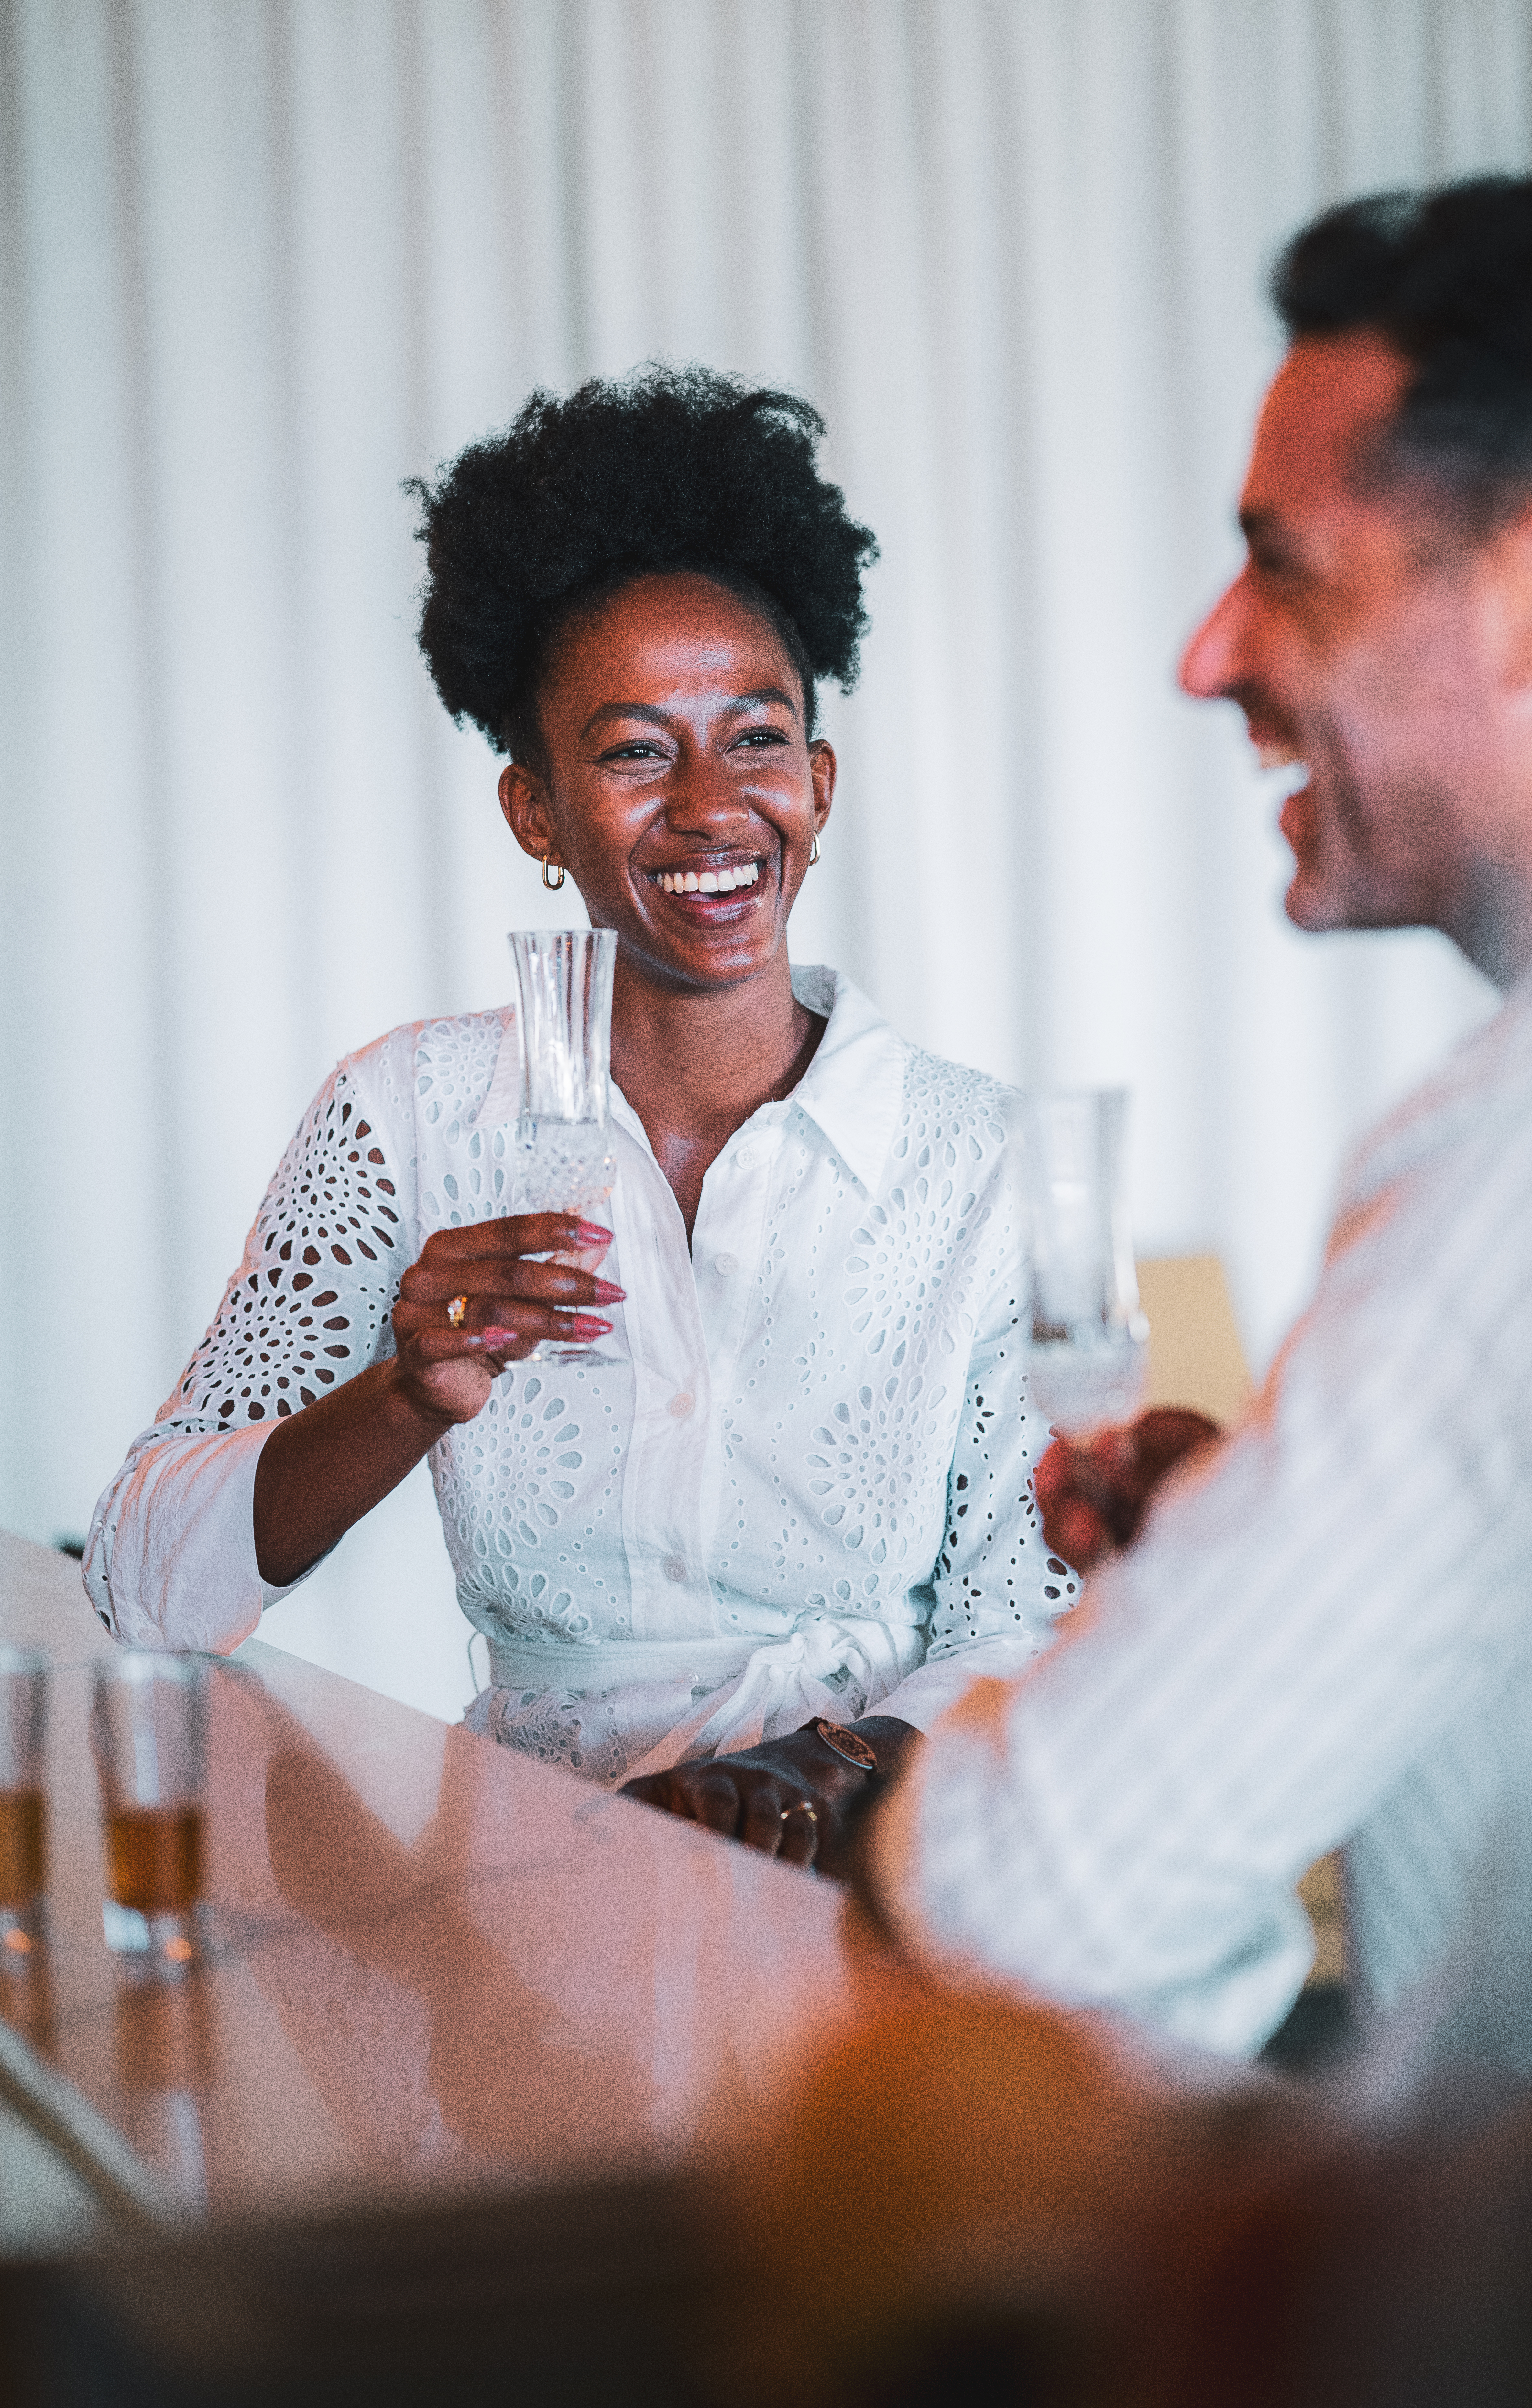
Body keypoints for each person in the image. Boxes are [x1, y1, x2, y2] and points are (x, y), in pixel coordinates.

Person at [856, 174, 1532, 2080]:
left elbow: (1030, 1897)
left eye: (1289, 567)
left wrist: (1154, 1650)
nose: (1208, 653)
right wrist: (1256, 1549)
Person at [84, 366, 1076, 1857]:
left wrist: (797, 1780)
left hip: (876, 1891)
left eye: (754, 739)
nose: (707, 803)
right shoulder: (407, 1117)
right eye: (630, 750)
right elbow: (147, 1588)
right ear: (534, 812)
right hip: (534, 1881)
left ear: (817, 781)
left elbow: (1032, 1617)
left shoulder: (983, 1162)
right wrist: (406, 1393)